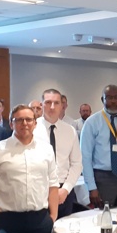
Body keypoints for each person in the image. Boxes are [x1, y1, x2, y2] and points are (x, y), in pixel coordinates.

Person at [0, 105, 58, 233]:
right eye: (19, 120)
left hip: (40, 221)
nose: (24, 123)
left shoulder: (46, 150)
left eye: (29, 119)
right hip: (6, 222)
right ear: (11, 123)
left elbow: (53, 184)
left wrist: (52, 218)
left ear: (35, 123)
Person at [35, 89, 83, 218]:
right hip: (38, 188)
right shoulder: (31, 128)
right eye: (48, 102)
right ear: (41, 104)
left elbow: (76, 164)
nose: (52, 107)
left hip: (64, 189)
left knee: (63, 232)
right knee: (41, 232)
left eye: (56, 103)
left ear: (62, 106)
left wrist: (66, 189)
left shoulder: (70, 130)